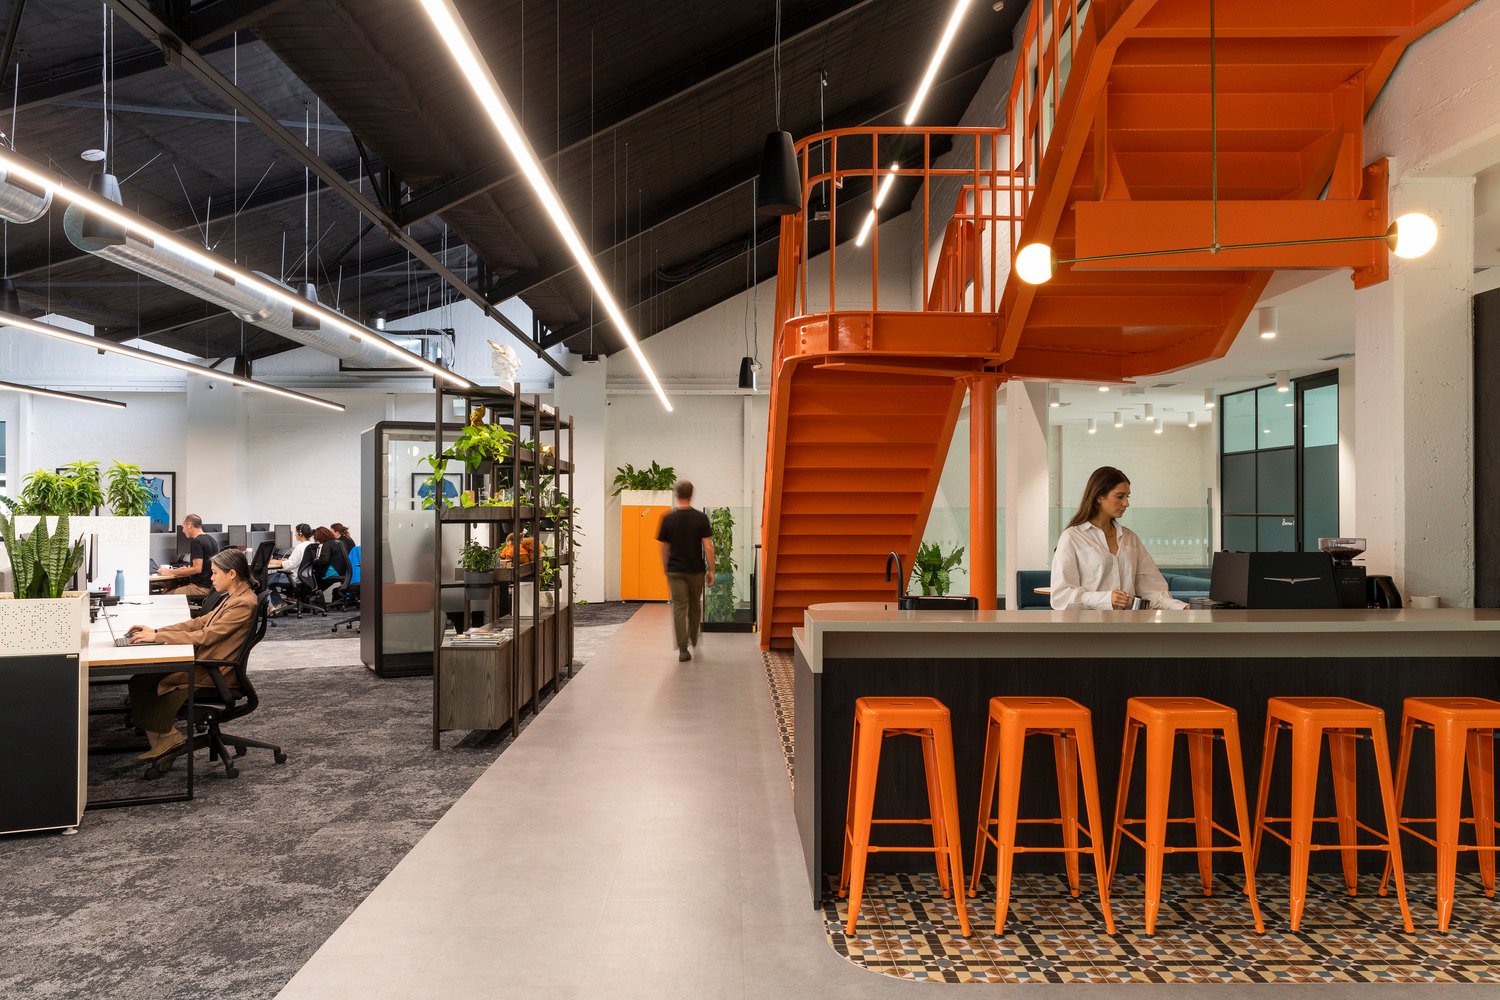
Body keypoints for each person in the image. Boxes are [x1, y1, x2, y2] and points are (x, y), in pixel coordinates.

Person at [126, 548, 259, 760]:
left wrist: (158, 638)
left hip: (216, 671)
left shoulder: (243, 602)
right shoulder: (233, 596)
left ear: (232, 574)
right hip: (208, 661)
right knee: (144, 679)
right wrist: (158, 631)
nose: (211, 577)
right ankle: (164, 740)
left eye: (215, 573)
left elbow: (206, 636)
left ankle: (167, 739)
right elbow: (200, 622)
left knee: (146, 681)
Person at [1051, 466, 1187, 611]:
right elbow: (1061, 597)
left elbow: (1151, 590)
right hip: (1090, 629)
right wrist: (1105, 599)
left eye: (1127, 497)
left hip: (1128, 627)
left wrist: (1183, 608)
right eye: (1120, 496)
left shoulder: (1130, 539)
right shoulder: (1072, 538)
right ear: (1099, 497)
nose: (1126, 503)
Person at [656, 479, 714, 662]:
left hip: (675, 570)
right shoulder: (701, 518)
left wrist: (666, 567)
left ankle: (683, 649)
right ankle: (694, 638)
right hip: (695, 570)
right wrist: (711, 570)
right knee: (695, 605)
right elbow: (708, 546)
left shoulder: (667, 518)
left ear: (676, 494)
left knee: (679, 607)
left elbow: (664, 547)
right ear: (691, 495)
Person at [156, 514, 220, 598]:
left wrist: (170, 572)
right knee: (171, 585)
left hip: (200, 588)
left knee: (165, 597)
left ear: (189, 525)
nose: (183, 530)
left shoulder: (196, 541)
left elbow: (197, 569)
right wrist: (187, 569)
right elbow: (205, 565)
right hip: (210, 587)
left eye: (183, 527)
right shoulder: (211, 539)